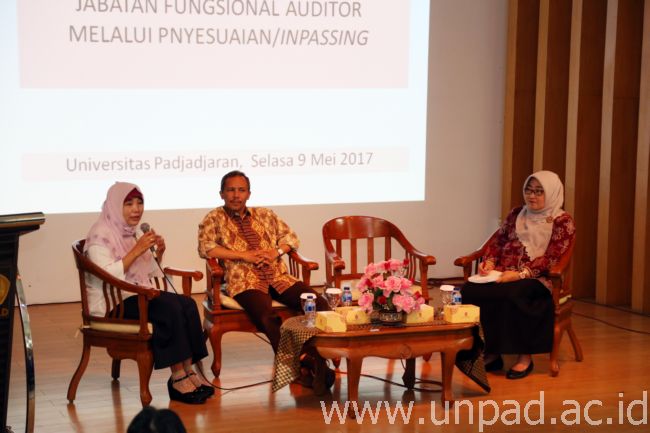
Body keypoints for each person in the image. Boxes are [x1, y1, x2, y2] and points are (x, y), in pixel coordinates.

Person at [197, 170, 332, 385]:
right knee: (267, 316)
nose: (236, 195)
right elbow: (207, 248)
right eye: (231, 190)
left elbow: (291, 238)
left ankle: (318, 356)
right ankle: (299, 364)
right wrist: (243, 255)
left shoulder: (265, 214)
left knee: (318, 303)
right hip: (244, 280)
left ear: (249, 194)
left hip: (278, 276)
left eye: (241, 190)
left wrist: (274, 252)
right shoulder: (213, 218)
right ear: (221, 193)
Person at [85, 182, 213, 404]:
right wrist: (137, 250)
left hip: (136, 294)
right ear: (115, 205)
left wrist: (158, 253)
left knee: (187, 304)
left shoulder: (130, 232)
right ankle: (177, 377)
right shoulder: (99, 236)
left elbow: (148, 270)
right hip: (113, 303)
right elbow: (107, 276)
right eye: (129, 204)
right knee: (169, 309)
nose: (136, 209)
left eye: (140, 203)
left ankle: (189, 369)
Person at [461, 170, 575, 379]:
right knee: (470, 290)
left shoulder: (562, 221)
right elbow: (498, 242)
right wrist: (489, 262)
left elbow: (552, 258)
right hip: (503, 273)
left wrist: (520, 274)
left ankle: (524, 357)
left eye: (539, 191)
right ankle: (491, 352)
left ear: (552, 192)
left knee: (513, 294)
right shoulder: (516, 214)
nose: (532, 196)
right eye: (528, 190)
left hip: (538, 277)